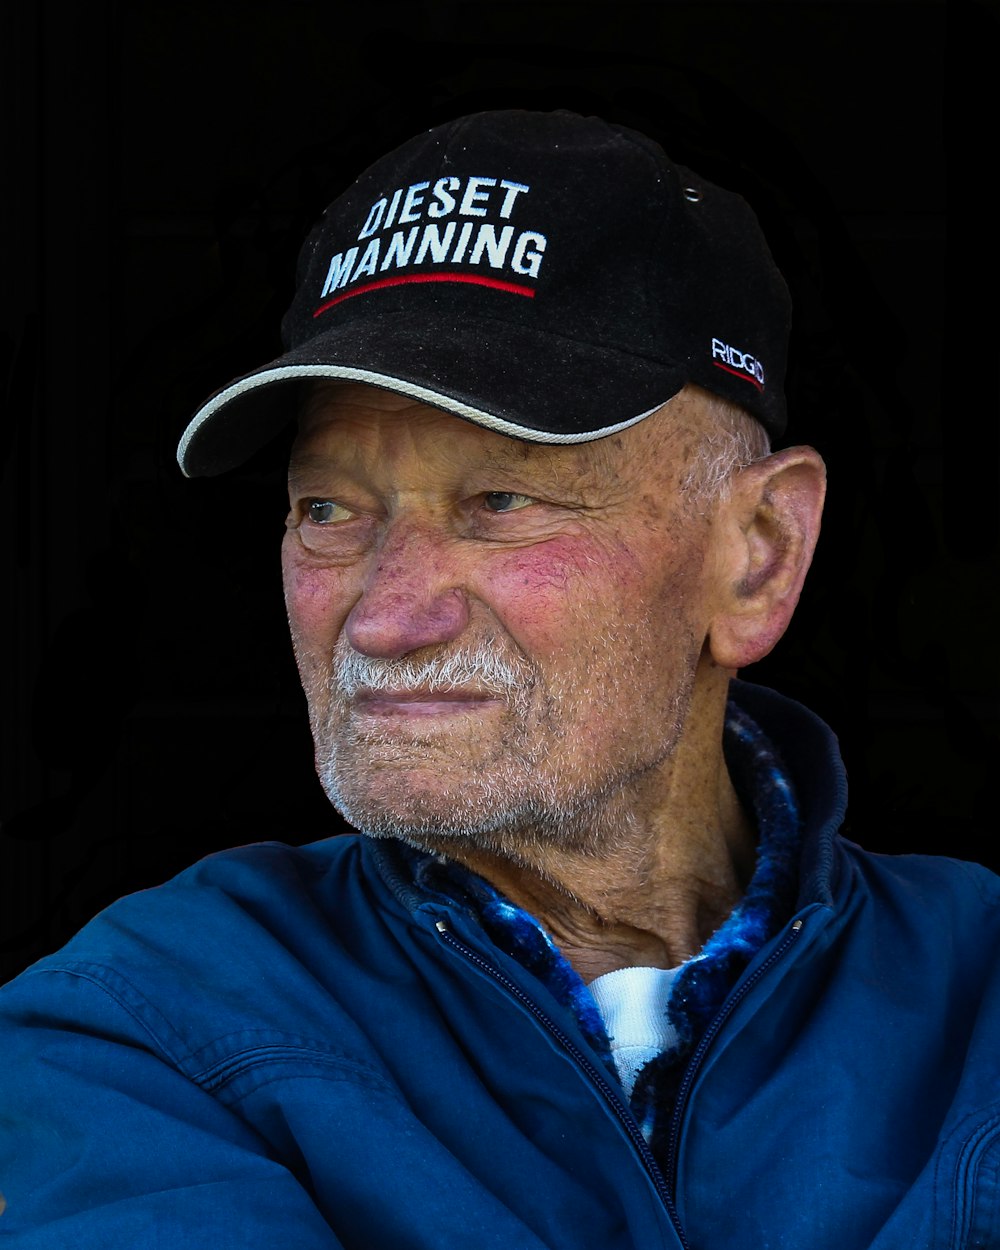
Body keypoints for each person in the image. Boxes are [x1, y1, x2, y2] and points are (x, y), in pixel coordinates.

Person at [0, 109, 995, 1250]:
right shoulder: (139, 1024)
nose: (384, 614)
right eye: (329, 510)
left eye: (501, 503)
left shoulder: (982, 999)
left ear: (758, 551)